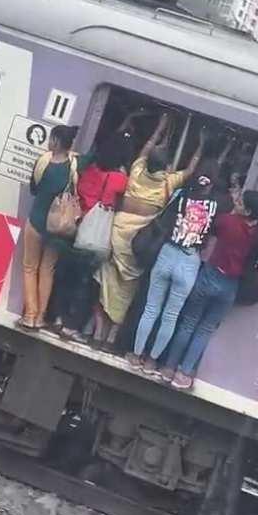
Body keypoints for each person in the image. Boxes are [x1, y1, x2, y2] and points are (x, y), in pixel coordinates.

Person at [94, 112, 202, 349]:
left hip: (118, 231)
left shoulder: (136, 171)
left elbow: (146, 148)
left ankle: (97, 332)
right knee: (128, 290)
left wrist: (161, 126)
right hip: (139, 240)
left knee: (107, 281)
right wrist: (200, 146)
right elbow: (191, 170)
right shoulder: (168, 182)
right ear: (165, 167)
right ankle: (112, 336)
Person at [127, 131, 219, 375]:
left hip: (168, 253)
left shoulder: (180, 196)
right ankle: (152, 361)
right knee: (171, 315)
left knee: (151, 309)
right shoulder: (219, 208)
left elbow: (162, 221)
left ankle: (136, 355)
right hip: (190, 261)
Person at [160, 190, 258, 390]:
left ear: (247, 210)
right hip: (231, 286)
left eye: (240, 201)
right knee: (205, 329)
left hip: (210, 275)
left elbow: (211, 229)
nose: (236, 201)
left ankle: (169, 368)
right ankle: (184, 374)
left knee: (188, 323)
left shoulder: (227, 221)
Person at [50, 122, 134, 341]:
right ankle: (71, 327)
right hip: (95, 242)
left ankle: (58, 318)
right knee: (85, 285)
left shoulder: (89, 170)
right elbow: (126, 198)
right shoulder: (119, 179)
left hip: (76, 232)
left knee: (66, 279)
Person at [18, 125, 78, 330]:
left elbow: (34, 189)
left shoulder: (43, 162)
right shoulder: (73, 167)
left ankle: (30, 316)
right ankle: (42, 316)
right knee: (47, 270)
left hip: (36, 221)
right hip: (58, 229)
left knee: (29, 268)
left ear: (56, 141)